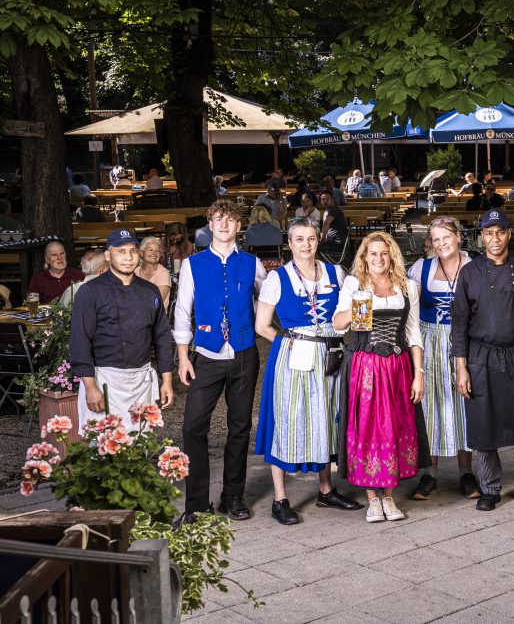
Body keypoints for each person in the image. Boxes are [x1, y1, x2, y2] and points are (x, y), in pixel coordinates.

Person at [173, 200, 276, 525]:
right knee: (192, 428)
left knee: (239, 427)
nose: (224, 224)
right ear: (209, 224)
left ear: (238, 226)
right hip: (206, 356)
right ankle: (196, 503)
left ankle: (233, 497)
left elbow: (268, 297)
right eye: (218, 219)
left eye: (230, 220)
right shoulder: (192, 264)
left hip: (245, 354)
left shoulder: (252, 263)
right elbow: (182, 311)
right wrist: (181, 358)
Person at [254, 217, 360, 525]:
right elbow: (263, 325)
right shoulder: (277, 278)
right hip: (294, 357)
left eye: (311, 238)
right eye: (299, 239)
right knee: (288, 418)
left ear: (318, 241)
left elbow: (345, 312)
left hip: (330, 354)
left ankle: (326, 489)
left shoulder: (335, 272)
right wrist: (292, 342)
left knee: (327, 416)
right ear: (290, 243)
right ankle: (280, 498)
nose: (305, 244)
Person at [452, 209, 514, 511]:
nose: (495, 239)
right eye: (489, 233)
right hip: (481, 356)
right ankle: (490, 487)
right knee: (483, 423)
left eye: (500, 232)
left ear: (509, 234)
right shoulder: (469, 273)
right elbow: (459, 325)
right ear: (482, 236)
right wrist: (461, 367)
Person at [334, 231, 425, 522]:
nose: (378, 258)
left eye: (383, 253)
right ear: (364, 257)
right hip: (364, 364)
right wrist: (359, 304)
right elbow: (337, 324)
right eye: (372, 253)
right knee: (367, 427)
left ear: (392, 256)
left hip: (397, 366)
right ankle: (372, 498)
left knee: (393, 426)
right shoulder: (354, 284)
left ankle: (389, 496)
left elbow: (413, 334)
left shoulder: (408, 286)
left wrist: (419, 373)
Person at [406, 217, 480, 501]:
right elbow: (408, 310)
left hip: (467, 343)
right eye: (435, 239)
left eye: (445, 237)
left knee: (465, 404)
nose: (441, 243)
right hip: (430, 341)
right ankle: (429, 474)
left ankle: (466, 472)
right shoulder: (420, 269)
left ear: (459, 236)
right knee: (432, 405)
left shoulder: (474, 268)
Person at [69, 229, 173, 431]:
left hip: (141, 380)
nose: (128, 257)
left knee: (139, 445)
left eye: (133, 251)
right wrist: (90, 387)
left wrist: (166, 380)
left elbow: (162, 338)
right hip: (103, 380)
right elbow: (80, 341)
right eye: (121, 251)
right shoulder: (90, 292)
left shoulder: (150, 291)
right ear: (108, 256)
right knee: (102, 448)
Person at [136, 236, 171, 310]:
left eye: (157, 251)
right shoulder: (135, 272)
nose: (154, 253)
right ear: (142, 253)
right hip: (136, 315)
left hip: (155, 317)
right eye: (150, 250)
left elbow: (156, 301)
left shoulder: (163, 273)